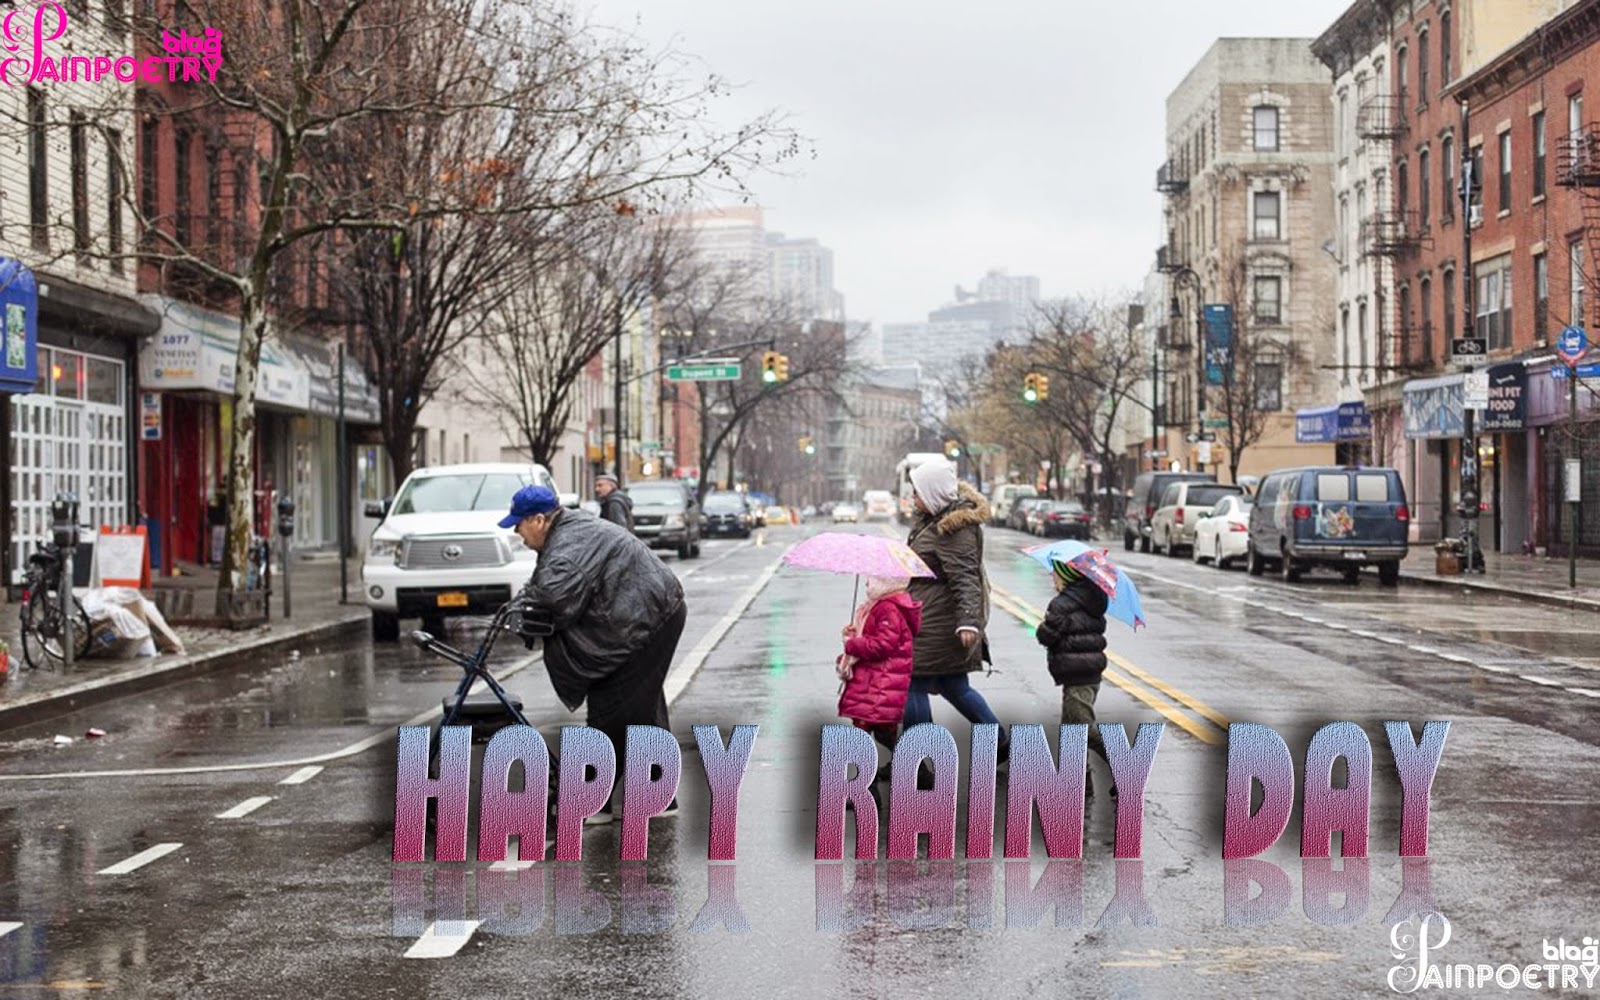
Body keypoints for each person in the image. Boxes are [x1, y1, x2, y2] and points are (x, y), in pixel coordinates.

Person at [500, 484, 685, 823]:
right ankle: (660, 796)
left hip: (644, 619)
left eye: (519, 523)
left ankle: (591, 800)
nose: (516, 531)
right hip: (648, 611)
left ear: (539, 520)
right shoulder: (566, 533)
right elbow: (546, 586)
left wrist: (522, 616)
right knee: (640, 706)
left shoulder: (568, 545)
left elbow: (554, 598)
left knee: (610, 706)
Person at [902, 459, 1009, 763]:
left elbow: (965, 578)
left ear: (934, 492)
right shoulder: (933, 521)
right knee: (953, 685)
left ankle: (919, 759)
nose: (914, 498)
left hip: (939, 622)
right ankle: (999, 742)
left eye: (918, 492)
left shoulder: (953, 529)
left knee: (913, 681)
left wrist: (968, 623)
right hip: (933, 616)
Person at [1034, 557, 1112, 797]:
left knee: (1083, 727)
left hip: (1075, 670)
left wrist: (1043, 626)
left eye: (1055, 573)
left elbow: (1047, 636)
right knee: (1071, 729)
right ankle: (1079, 782)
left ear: (1066, 576)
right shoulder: (1094, 600)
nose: (1052, 577)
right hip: (1088, 670)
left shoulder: (1061, 604)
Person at [836, 576, 922, 764]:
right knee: (882, 734)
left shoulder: (887, 609)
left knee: (862, 738)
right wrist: (854, 635)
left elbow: (882, 646)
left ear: (886, 583)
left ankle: (869, 788)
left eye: (872, 580)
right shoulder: (878, 606)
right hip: (875, 681)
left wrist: (852, 645)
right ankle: (919, 771)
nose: (867, 583)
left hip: (879, 683)